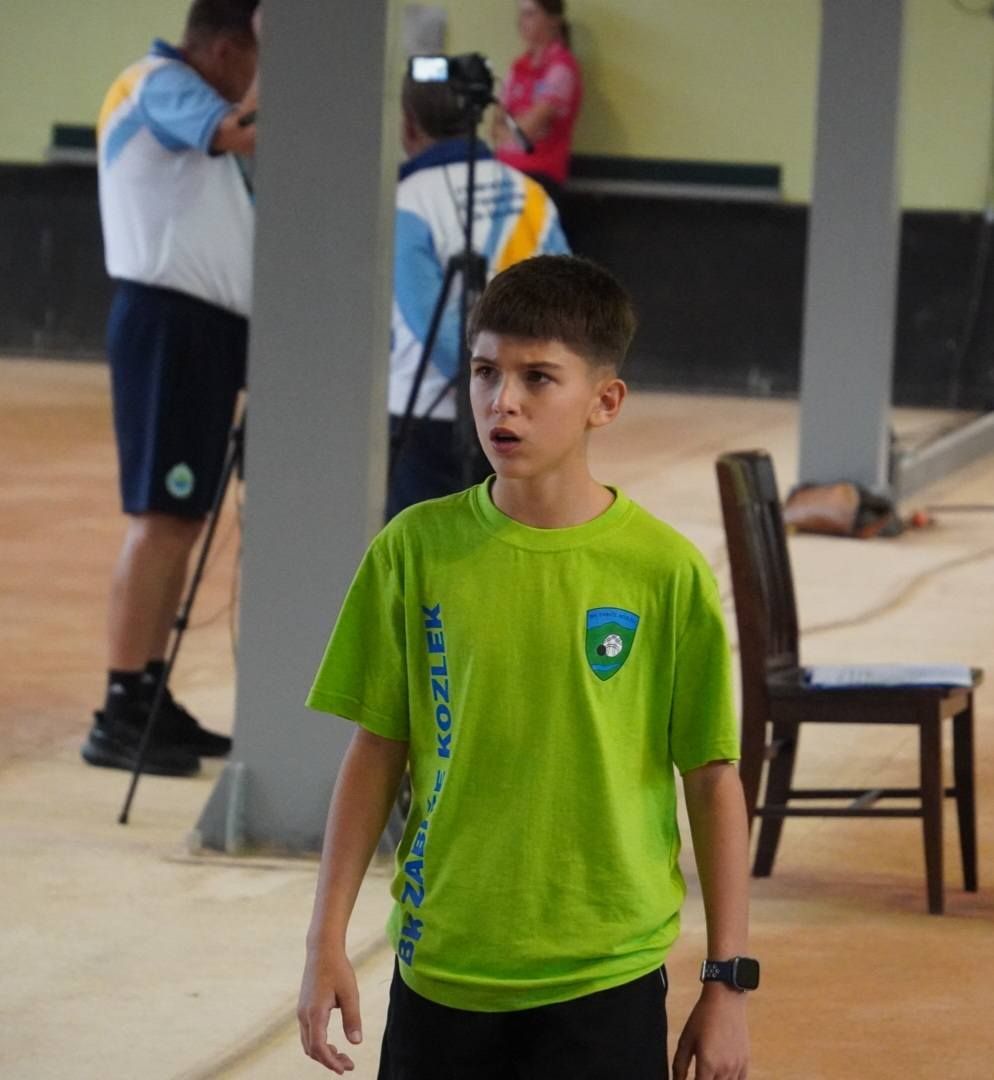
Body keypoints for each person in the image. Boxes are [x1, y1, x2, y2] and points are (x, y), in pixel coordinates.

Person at [298, 255, 757, 1079]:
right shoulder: (414, 550)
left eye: (538, 378)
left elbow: (712, 778)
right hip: (445, 967)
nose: (501, 401)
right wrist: (324, 940)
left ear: (604, 401)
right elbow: (376, 750)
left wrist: (727, 983)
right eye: (485, 372)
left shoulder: (664, 572)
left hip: (606, 973)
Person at [82, 0, 260, 778]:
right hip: (170, 326)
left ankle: (149, 691)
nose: (253, 79)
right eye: (254, 59)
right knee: (160, 518)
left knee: (182, 520)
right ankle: (119, 706)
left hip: (202, 331)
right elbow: (243, 131)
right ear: (224, 50)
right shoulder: (159, 82)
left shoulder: (183, 95)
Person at [387, 73, 569, 519]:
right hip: (525, 415)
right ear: (480, 119)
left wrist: (487, 386)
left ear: (408, 124)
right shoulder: (531, 195)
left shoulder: (408, 201)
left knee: (422, 554)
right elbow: (569, 306)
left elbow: (431, 324)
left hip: (428, 418)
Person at [492, 0, 583, 204]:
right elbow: (496, 126)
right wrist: (515, 128)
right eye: (521, 14)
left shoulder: (562, 68)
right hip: (504, 173)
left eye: (530, 14)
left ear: (553, 21)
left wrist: (512, 127)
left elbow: (527, 132)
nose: (521, 21)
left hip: (539, 177)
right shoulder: (518, 66)